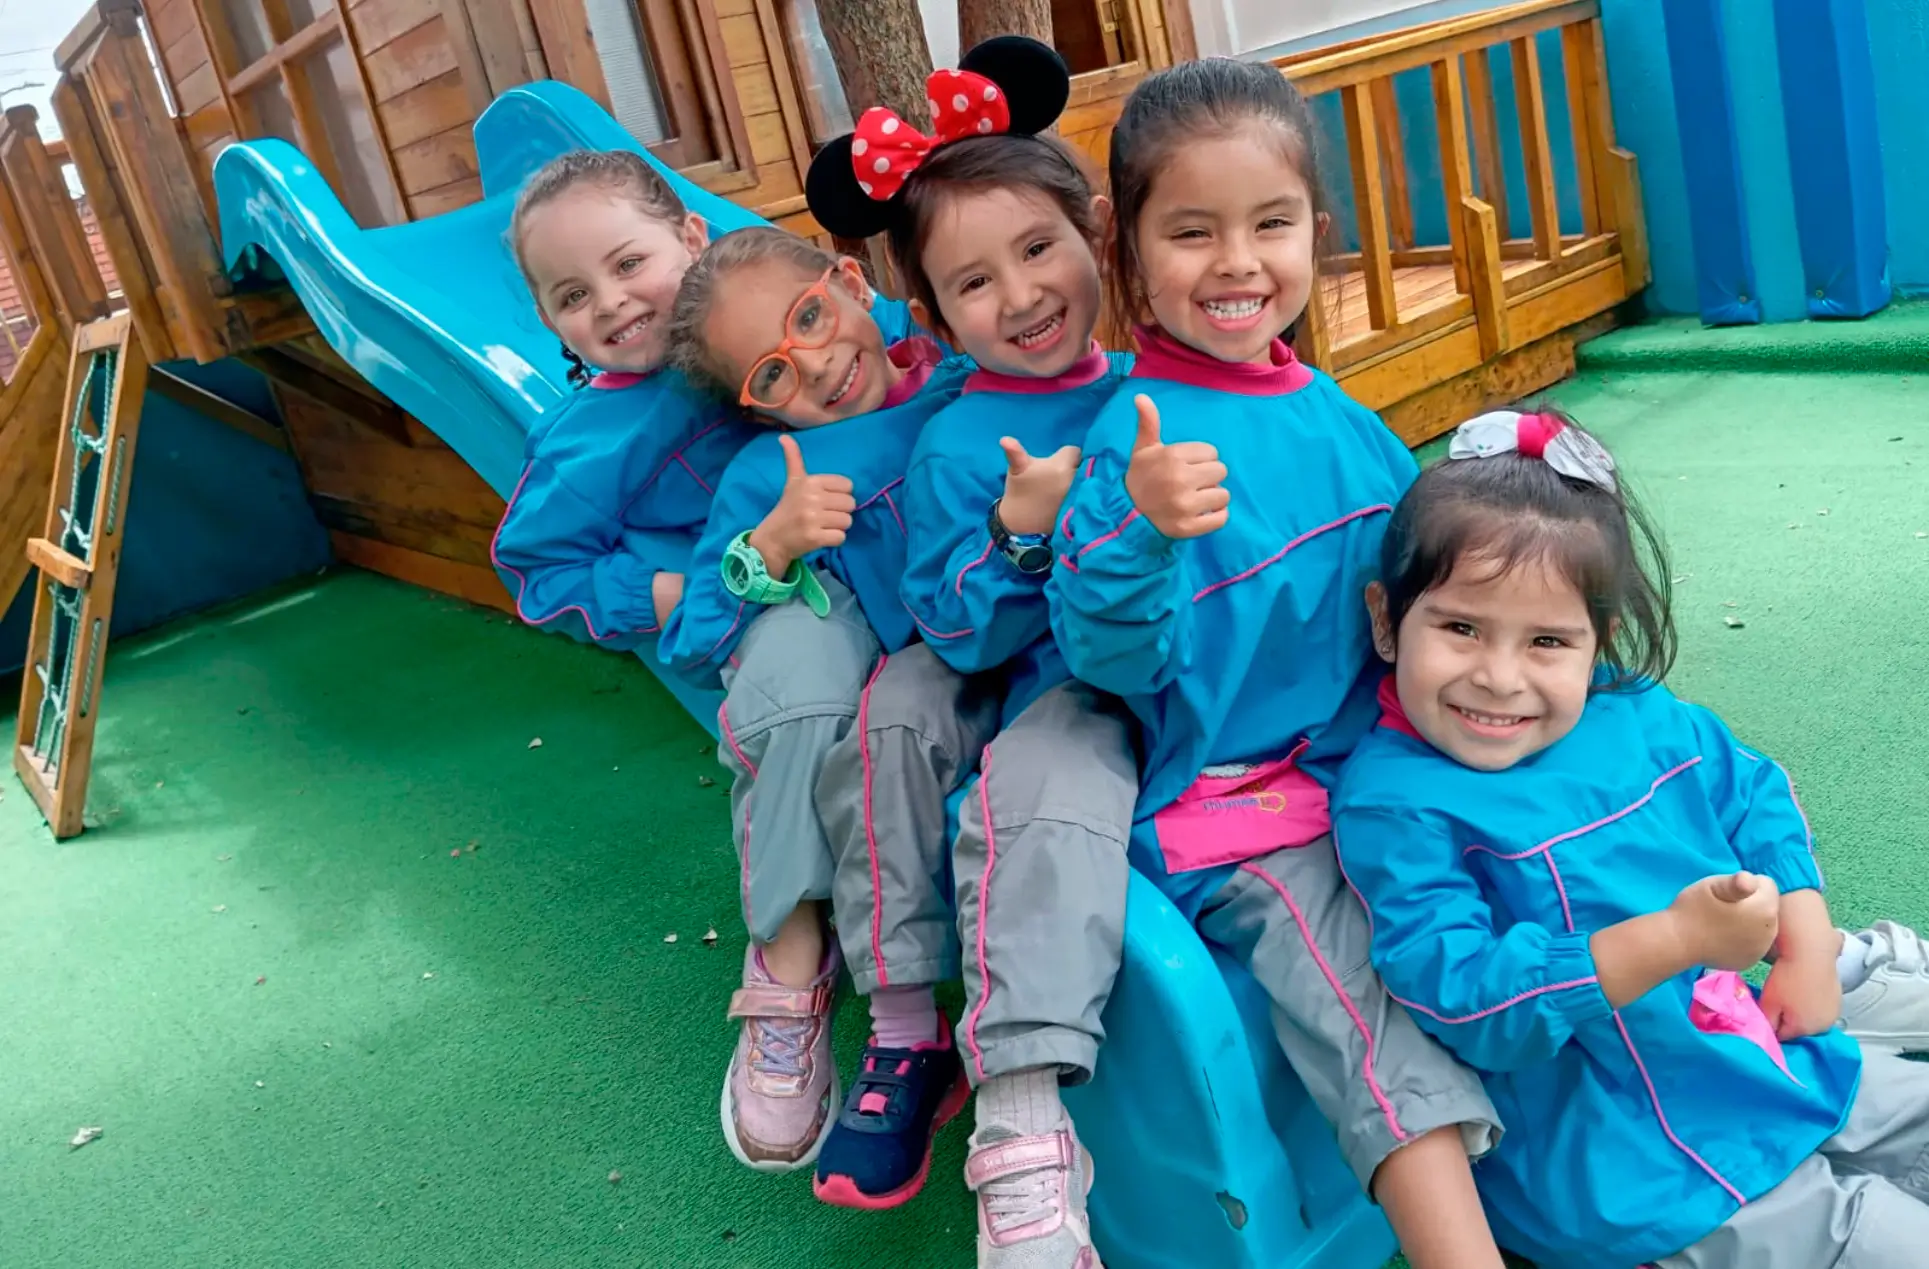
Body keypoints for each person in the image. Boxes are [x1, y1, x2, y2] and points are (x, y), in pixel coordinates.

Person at [1044, 58, 1508, 1268]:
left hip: (1381, 762)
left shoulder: (1336, 414)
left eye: (1272, 224)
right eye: (1192, 232)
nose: (1238, 262)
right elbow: (1107, 656)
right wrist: (1141, 527)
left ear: (1316, 230)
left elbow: (1425, 588)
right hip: (1245, 810)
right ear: (1129, 249)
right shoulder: (1137, 439)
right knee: (1356, 989)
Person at [1335, 408, 1929, 1268]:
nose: (1498, 677)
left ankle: (1849, 992)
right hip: (1634, 1159)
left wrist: (1800, 939)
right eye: (1460, 627)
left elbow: (1752, 791)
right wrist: (1676, 938)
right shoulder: (1394, 800)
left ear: (1597, 644)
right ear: (1388, 620)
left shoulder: (1631, 711)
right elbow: (1467, 999)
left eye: (1546, 641)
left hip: (1756, 1060)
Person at [801, 37, 1139, 1265]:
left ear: (1093, 236)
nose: (1022, 294)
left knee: (1038, 776)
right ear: (934, 317)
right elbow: (962, 622)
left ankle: (1023, 1097)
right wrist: (1022, 533)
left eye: (1038, 249)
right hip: (1006, 641)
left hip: (1107, 682)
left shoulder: (1156, 383)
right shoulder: (959, 441)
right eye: (974, 283)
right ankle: (907, 1024)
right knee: (892, 713)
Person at [660, 225, 979, 1177]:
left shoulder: (967, 380)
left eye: (811, 316)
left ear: (849, 281)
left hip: (1003, 662)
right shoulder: (771, 473)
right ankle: (825, 978)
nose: (814, 364)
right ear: (753, 410)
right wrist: (775, 542)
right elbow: (691, 635)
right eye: (769, 376)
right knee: (831, 723)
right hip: (891, 695)